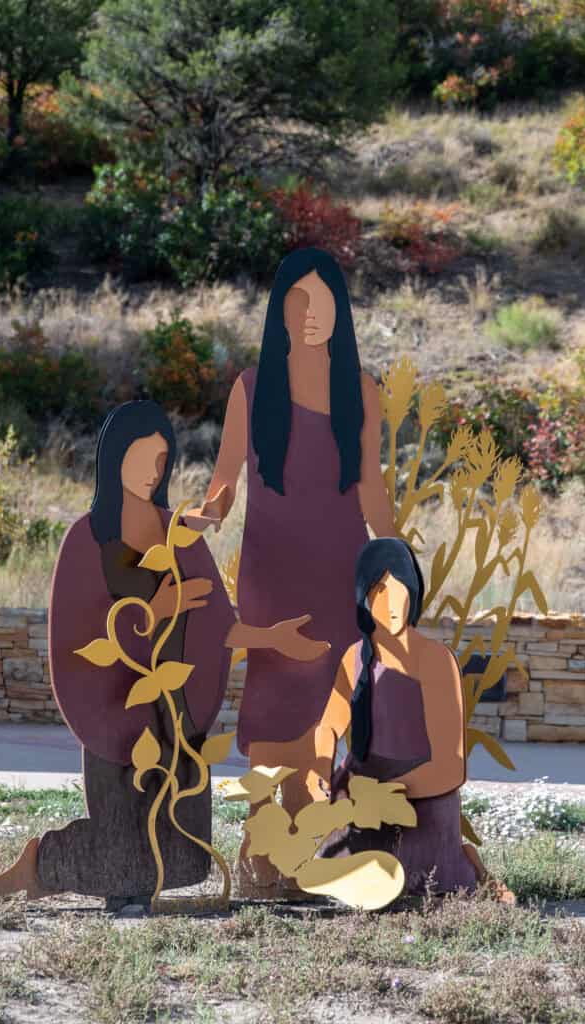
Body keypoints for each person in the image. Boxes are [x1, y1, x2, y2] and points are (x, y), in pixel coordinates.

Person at [0, 401, 328, 909]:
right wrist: (153, 610)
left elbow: (216, 625)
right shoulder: (86, 539)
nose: (152, 471)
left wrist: (272, 638)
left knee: (187, 858)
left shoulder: (179, 534)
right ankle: (46, 862)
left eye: (162, 460)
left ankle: (79, 871)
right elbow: (78, 631)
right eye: (141, 458)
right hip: (116, 714)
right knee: (125, 846)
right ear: (114, 456)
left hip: (175, 720)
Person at [185, 249, 396, 887]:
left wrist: (397, 559)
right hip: (270, 576)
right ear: (280, 311)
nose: (309, 313)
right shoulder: (252, 388)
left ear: (339, 309)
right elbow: (224, 485)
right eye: (296, 301)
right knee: (273, 707)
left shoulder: (361, 390)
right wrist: (199, 518)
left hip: (338, 574)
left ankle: (305, 852)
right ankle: (258, 852)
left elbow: (371, 487)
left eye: (321, 300)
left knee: (327, 709)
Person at [316, 537, 515, 901]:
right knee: (339, 879)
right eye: (380, 590)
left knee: (423, 884)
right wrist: (320, 768)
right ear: (363, 596)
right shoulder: (353, 658)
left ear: (414, 592)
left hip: (420, 796)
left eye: (400, 589)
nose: (392, 603)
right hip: (361, 795)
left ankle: (468, 864)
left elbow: (450, 767)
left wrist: (388, 794)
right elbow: (329, 725)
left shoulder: (435, 661)